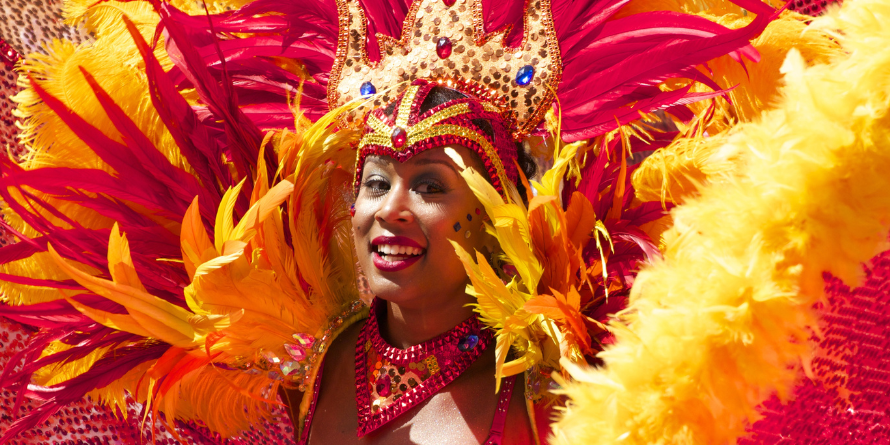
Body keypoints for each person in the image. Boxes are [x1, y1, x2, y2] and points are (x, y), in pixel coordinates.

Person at [5, 0, 886, 444]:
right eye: (376, 179)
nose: (388, 208)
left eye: (429, 185)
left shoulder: (538, 387)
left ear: (490, 215)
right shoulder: (322, 358)